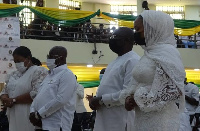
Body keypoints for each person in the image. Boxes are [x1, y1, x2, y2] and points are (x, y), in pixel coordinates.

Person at [120, 10, 186, 131]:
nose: (135, 33)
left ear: (153, 29)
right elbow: (136, 81)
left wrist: (138, 97)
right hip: (142, 118)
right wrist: (128, 97)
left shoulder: (167, 53)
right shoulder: (148, 54)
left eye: (138, 29)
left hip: (161, 121)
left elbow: (172, 90)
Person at [88, 27, 140, 131]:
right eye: (111, 37)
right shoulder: (115, 61)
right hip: (105, 116)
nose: (111, 40)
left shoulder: (133, 60)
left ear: (127, 40)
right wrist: (95, 101)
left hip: (119, 119)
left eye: (115, 37)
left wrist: (102, 100)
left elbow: (128, 93)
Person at [0, 46, 48, 131]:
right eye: (15, 62)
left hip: (29, 116)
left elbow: (36, 94)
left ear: (28, 58)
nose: (17, 64)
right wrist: (5, 99)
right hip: (13, 116)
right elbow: (4, 91)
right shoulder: (12, 74)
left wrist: (14, 100)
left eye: (19, 61)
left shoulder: (39, 71)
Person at [29, 46, 77, 131]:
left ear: (61, 58)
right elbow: (38, 96)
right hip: (41, 124)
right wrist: (32, 111)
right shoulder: (49, 75)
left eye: (51, 57)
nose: (48, 59)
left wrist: (39, 115)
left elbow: (61, 100)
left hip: (56, 125)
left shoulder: (67, 75)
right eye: (48, 56)